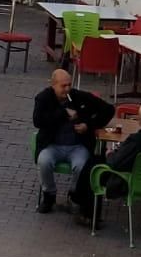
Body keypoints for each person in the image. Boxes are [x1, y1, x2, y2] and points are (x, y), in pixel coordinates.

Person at [69, 100, 141, 225]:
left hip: (126, 178)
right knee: (94, 161)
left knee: (92, 166)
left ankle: (89, 214)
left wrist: (110, 153)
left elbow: (115, 163)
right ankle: (80, 201)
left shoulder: (136, 140)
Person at [32, 68, 113, 214]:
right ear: (53, 85)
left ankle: (74, 194)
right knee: (44, 161)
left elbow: (108, 109)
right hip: (52, 145)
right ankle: (49, 195)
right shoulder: (43, 98)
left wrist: (88, 125)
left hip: (77, 146)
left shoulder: (78, 96)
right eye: (63, 86)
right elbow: (38, 121)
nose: (67, 89)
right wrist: (62, 113)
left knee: (82, 166)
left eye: (69, 84)